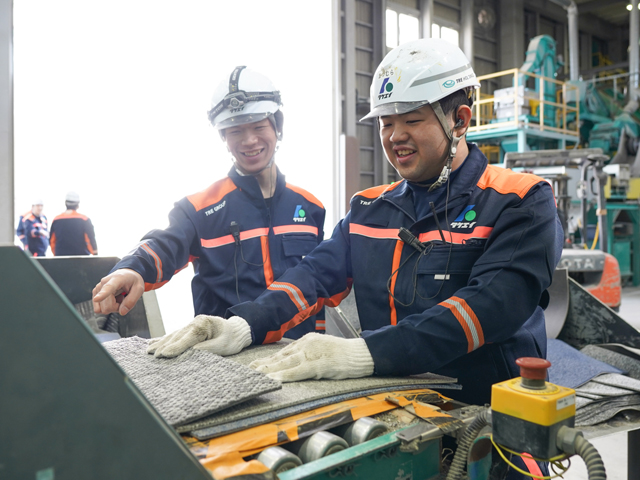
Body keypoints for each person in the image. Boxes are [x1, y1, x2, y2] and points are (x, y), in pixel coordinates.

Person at [144, 39, 562, 408]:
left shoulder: (520, 202)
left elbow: (489, 307)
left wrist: (362, 354)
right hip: (394, 411)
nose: (394, 136)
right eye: (386, 122)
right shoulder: (369, 209)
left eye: (411, 120)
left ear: (460, 120)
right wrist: (242, 325)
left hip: (491, 418)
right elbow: (312, 277)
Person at [92, 66, 326, 339]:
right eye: (235, 131)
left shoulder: (311, 207)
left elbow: (322, 281)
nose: (249, 140)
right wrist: (132, 269)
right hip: (226, 358)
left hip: (298, 356)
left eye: (259, 126)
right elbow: (165, 244)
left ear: (278, 127)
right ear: (223, 137)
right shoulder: (198, 210)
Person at [49, 191, 98, 256]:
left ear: (65, 203)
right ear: (77, 205)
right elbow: (90, 238)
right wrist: (95, 253)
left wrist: (56, 254)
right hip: (81, 257)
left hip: (61, 257)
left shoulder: (56, 220)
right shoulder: (84, 219)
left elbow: (52, 240)